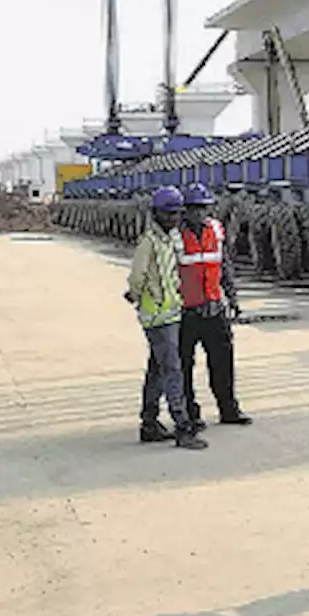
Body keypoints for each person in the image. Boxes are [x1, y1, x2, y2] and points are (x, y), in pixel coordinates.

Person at [125, 185, 207, 450]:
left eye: (176, 214)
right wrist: (140, 296)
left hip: (170, 314)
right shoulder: (149, 242)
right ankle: (183, 428)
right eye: (168, 213)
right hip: (158, 317)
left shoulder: (169, 239)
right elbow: (136, 276)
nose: (173, 218)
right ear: (156, 213)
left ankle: (149, 423)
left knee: (157, 371)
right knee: (173, 371)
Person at [176, 183, 251, 430]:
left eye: (203, 208)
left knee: (222, 363)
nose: (199, 214)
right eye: (194, 208)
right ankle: (190, 414)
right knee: (183, 366)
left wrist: (232, 298)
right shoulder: (174, 235)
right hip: (185, 312)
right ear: (184, 210)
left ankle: (228, 409)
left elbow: (224, 267)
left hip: (214, 309)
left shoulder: (216, 230)